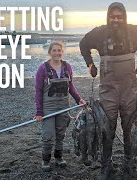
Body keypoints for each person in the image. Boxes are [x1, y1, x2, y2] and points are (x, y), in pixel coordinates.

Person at [79, 2, 137, 179]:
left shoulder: (134, 31)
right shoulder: (99, 33)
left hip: (129, 89)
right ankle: (106, 166)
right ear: (108, 17)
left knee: (130, 127)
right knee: (107, 128)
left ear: (124, 17)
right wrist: (90, 64)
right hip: (108, 90)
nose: (116, 20)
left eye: (120, 17)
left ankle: (129, 164)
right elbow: (83, 44)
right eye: (113, 16)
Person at [35, 41, 87, 172]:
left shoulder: (67, 67)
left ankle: (58, 158)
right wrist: (39, 112)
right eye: (54, 50)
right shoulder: (42, 69)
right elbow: (38, 91)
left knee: (60, 134)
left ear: (62, 52)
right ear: (50, 52)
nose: (57, 53)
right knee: (48, 135)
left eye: (59, 50)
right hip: (49, 108)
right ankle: (46, 160)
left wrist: (78, 99)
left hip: (64, 106)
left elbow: (71, 86)